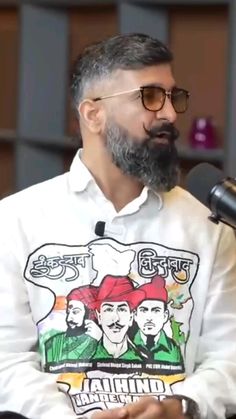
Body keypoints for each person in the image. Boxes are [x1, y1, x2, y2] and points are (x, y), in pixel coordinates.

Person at [0, 33, 236, 419]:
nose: (170, 115)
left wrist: (180, 407)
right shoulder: (15, 220)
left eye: (173, 97)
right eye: (150, 97)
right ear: (93, 114)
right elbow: (6, 360)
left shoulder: (210, 226)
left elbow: (230, 357)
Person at [133, 275, 184, 366]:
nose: (149, 317)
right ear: (135, 315)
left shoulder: (173, 349)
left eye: (156, 311)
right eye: (144, 310)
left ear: (165, 316)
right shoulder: (126, 346)